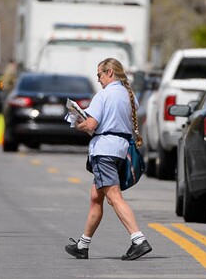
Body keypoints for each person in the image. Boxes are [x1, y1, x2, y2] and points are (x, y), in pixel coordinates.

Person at [65, 58, 152, 261]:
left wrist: (77, 121)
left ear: (110, 73)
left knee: (113, 196)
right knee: (96, 197)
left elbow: (92, 125)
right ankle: (83, 245)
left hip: (104, 150)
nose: (99, 80)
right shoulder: (129, 96)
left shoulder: (103, 96)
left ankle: (138, 239)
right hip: (120, 150)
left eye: (100, 75)